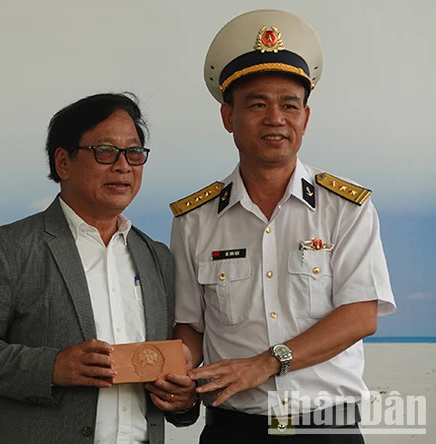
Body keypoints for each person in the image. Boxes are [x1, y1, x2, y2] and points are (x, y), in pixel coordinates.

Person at [169, 10, 396, 443]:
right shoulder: (195, 220)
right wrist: (174, 371)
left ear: (305, 119)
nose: (276, 118)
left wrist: (268, 362)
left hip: (327, 429)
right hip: (234, 430)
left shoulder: (345, 209)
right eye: (257, 104)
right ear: (227, 116)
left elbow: (360, 315)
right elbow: (190, 328)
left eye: (289, 105)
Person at [0, 93, 198, 444]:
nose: (123, 166)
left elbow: (168, 367)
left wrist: (183, 401)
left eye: (135, 153)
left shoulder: (156, 257)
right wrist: (52, 367)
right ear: (63, 162)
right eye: (106, 151)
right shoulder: (9, 247)